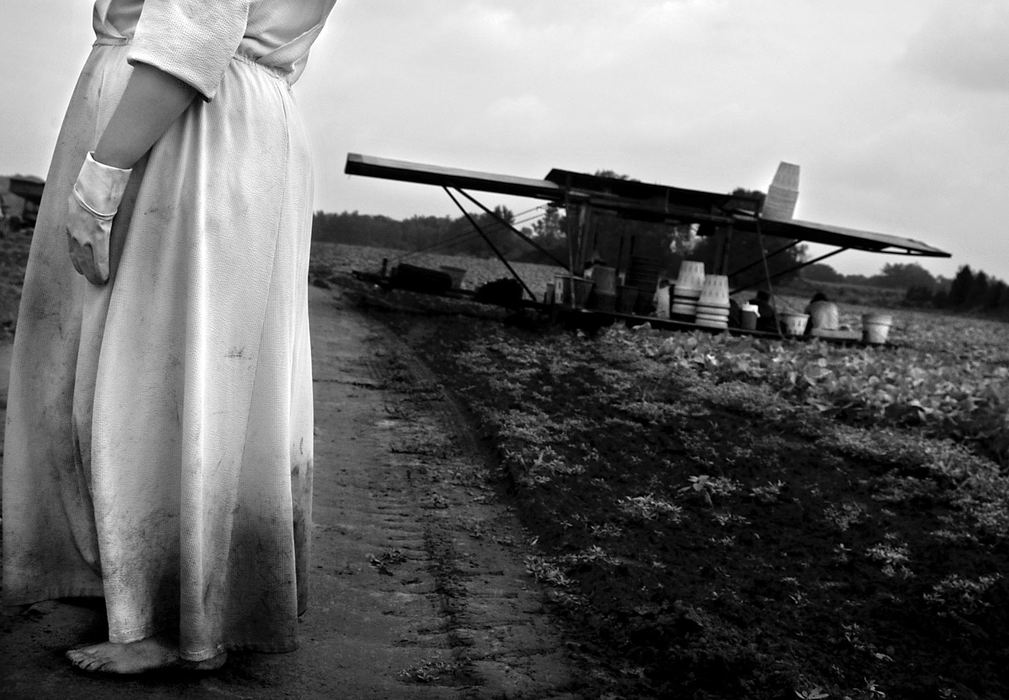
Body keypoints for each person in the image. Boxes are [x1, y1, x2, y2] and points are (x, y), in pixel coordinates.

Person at [3, 1, 337, 674]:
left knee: (155, 369)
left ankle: (161, 617)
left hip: (184, 129)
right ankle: (146, 588)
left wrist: (102, 175)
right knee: (188, 367)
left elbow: (194, 29)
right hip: (227, 118)